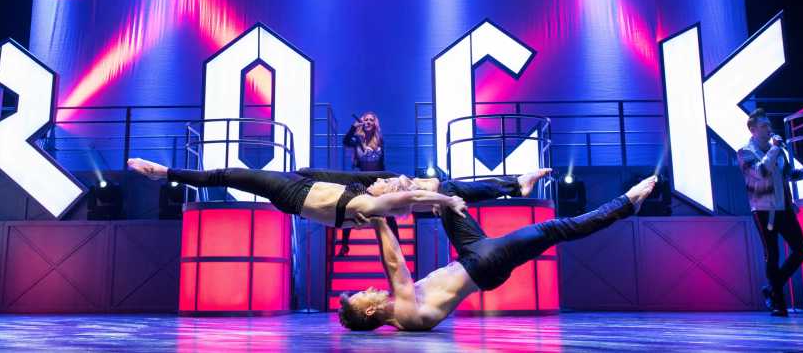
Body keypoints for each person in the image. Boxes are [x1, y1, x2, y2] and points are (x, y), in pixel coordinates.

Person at [337, 175, 657, 331]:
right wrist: (377, 217)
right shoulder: (405, 315)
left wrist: (388, 210)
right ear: (369, 311)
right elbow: (396, 264)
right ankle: (625, 204)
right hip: (484, 264)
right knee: (554, 229)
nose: (368, 288)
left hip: (471, 254)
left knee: (447, 192)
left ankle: (515, 185)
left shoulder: (399, 307)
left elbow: (394, 263)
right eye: (362, 295)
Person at [127, 159, 469, 229]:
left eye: (384, 182)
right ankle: (164, 173)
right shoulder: (371, 204)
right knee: (346, 177)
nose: (378, 182)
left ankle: (162, 172)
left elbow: (413, 199)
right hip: (301, 188)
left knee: (226, 175)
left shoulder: (377, 202)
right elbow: (411, 197)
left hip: (292, 193)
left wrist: (447, 200)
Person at [738, 108, 803, 317]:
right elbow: (761, 172)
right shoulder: (745, 152)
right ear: (753, 130)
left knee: (801, 250)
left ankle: (771, 289)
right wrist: (775, 149)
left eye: (769, 125)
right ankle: (779, 304)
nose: (769, 129)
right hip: (763, 210)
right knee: (772, 255)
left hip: (784, 208)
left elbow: (790, 174)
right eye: (764, 126)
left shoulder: (777, 151)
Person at [339, 113, 391, 255]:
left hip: (377, 180)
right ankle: (344, 245)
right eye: (365, 119)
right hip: (361, 178)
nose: (368, 122)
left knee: (388, 211)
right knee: (349, 207)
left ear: (375, 124)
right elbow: (345, 141)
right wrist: (353, 127)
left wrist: (385, 180)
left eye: (371, 120)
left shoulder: (379, 140)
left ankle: (396, 244)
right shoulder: (357, 139)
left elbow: (382, 162)